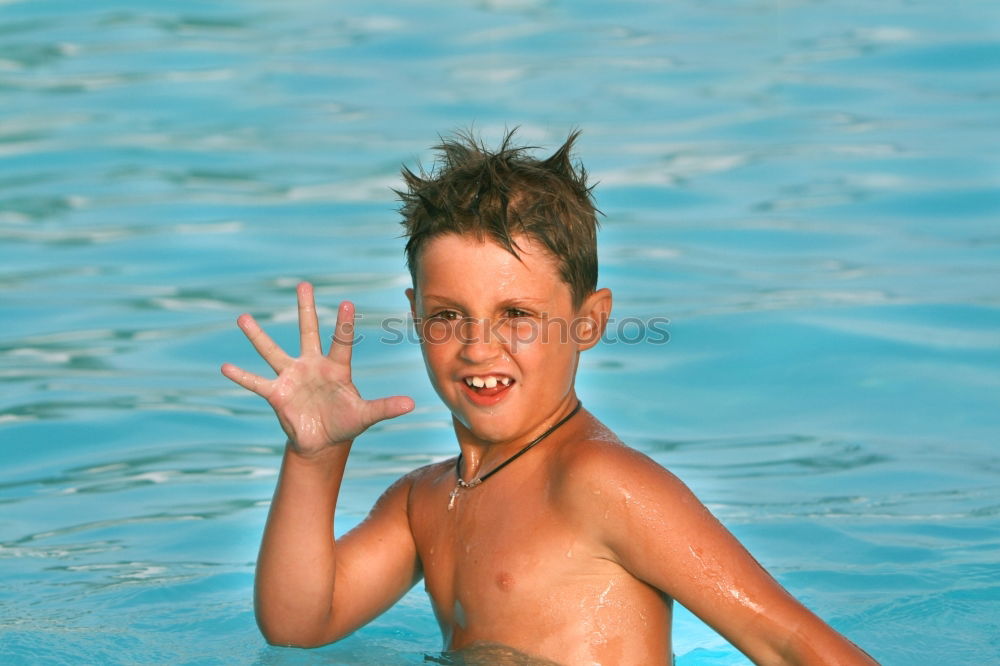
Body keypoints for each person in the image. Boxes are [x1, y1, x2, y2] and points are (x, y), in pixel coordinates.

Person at [221, 130, 878, 665]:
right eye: (450, 315)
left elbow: (791, 644)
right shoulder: (423, 502)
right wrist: (313, 459)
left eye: (516, 314)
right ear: (415, 316)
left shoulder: (599, 483)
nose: (479, 348)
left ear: (587, 323)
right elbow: (298, 625)